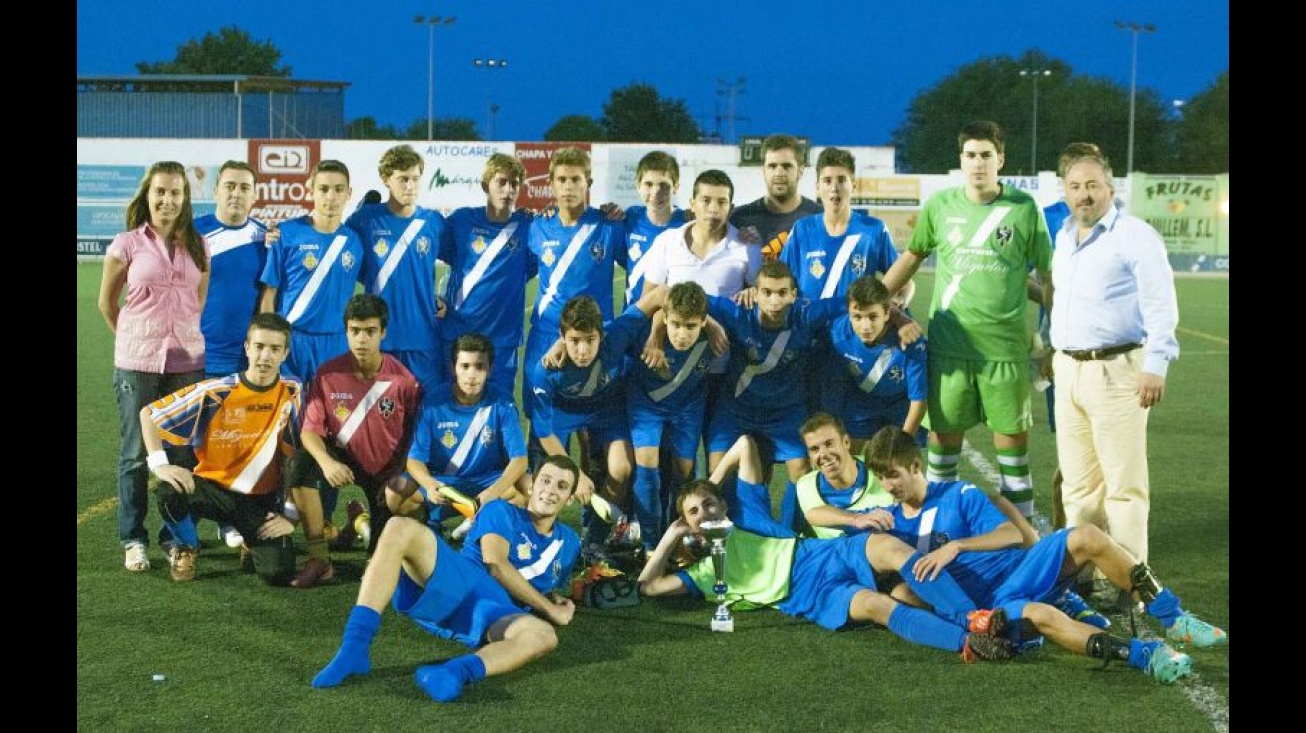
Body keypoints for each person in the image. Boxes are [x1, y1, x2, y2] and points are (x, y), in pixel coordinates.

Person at [861, 427, 1225, 683]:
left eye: (893, 475)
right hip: (994, 605)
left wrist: (957, 546)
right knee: (1041, 613)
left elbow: (1011, 534)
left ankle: (1174, 618)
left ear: (914, 466)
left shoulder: (958, 494)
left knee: (1086, 535)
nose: (888, 486)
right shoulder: (889, 523)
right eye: (880, 478)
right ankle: (1145, 656)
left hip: (1022, 569)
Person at [638, 457, 1014, 662]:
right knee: (876, 606)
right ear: (688, 524)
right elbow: (649, 586)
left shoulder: (746, 518)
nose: (703, 512)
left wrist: (712, 480)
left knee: (887, 546)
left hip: (818, 554)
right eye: (693, 512)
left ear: (722, 505)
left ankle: (972, 618)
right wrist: (671, 535)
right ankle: (966, 643)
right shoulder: (705, 572)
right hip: (807, 596)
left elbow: (743, 445)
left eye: (709, 503)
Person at [880, 121, 1053, 520]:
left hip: (1005, 354)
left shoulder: (1025, 209)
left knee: (1013, 458)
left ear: (1001, 159)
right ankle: (939, 531)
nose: (978, 163)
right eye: (970, 155)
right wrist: (874, 299)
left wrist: (1053, 338)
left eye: (986, 156)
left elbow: (1047, 279)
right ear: (961, 160)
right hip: (950, 351)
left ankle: (1021, 545)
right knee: (942, 455)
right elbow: (911, 258)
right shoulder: (941, 206)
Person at [311, 455, 583, 703]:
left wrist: (555, 600)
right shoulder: (502, 511)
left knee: (544, 636)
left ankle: (454, 673)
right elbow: (497, 565)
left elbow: (544, 582)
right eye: (545, 481)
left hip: (493, 615)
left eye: (561, 486)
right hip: (462, 583)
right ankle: (354, 649)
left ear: (569, 498)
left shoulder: (570, 542)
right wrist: (550, 611)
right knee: (399, 527)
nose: (550, 490)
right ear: (532, 486)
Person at [1047, 150, 1180, 608]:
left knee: (1123, 486)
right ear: (1064, 191)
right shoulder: (1064, 236)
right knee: (1078, 486)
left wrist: (1156, 364)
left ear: (1110, 189)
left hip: (1118, 370)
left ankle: (1132, 584)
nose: (1084, 194)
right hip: (1069, 370)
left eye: (1092, 186)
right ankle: (1080, 573)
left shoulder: (1135, 236)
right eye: (1076, 186)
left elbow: (1162, 304)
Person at [98, 160, 210, 573]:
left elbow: (199, 301)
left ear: (185, 198)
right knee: (134, 455)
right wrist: (132, 338)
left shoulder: (199, 245)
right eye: (160, 192)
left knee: (182, 453)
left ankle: (174, 536)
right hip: (137, 362)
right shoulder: (126, 243)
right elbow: (107, 303)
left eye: (175, 193)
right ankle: (133, 538)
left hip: (186, 362)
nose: (167, 199)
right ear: (147, 195)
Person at [138, 312, 303, 585]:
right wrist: (159, 464)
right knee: (168, 489)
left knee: (278, 573)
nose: (265, 356)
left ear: (285, 354)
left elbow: (299, 457)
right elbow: (149, 414)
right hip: (212, 490)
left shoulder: (293, 392)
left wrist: (291, 517)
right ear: (247, 348)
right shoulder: (217, 391)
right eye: (259, 347)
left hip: (258, 500)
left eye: (275, 349)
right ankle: (187, 546)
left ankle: (250, 542)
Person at [285, 294, 423, 588]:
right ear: (345, 331)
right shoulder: (328, 374)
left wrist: (398, 477)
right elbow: (310, 431)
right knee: (298, 464)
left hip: (385, 471)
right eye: (355, 331)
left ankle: (359, 525)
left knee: (381, 562)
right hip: (343, 457)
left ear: (383, 332)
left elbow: (415, 436)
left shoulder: (403, 380)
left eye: (370, 331)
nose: (362, 339)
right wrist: (326, 461)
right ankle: (319, 558)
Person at [260, 159, 365, 533]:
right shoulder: (286, 235)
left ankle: (327, 519)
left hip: (335, 350)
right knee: (285, 432)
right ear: (310, 191)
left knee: (331, 433)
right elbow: (270, 294)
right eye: (324, 189)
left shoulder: (354, 241)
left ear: (348, 195)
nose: (331, 197)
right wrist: (266, 344)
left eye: (339, 190)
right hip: (293, 346)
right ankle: (274, 508)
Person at [780, 147, 913, 420]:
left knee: (851, 424)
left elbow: (903, 280)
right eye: (827, 181)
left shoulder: (872, 229)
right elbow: (782, 282)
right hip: (808, 341)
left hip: (855, 342)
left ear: (853, 185)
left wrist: (899, 304)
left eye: (841, 180)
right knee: (812, 421)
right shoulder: (803, 230)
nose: (834, 188)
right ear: (817, 187)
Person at [195, 159, 271, 550]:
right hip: (200, 355)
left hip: (246, 361)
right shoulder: (196, 232)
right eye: (230, 186)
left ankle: (230, 520)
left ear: (255, 194)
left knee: (238, 443)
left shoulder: (264, 238)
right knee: (199, 444)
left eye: (244, 187)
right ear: (216, 190)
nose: (236, 193)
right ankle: (188, 529)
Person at [522, 146, 627, 408]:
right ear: (551, 184)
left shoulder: (607, 225)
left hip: (594, 339)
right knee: (542, 414)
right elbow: (516, 274)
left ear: (587, 183)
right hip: (547, 332)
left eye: (575, 179)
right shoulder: (536, 227)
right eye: (562, 180)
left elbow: (641, 264)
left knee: (594, 420)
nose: (568, 186)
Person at [398, 332, 528, 532]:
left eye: (479, 367)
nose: (472, 374)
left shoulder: (503, 401)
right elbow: (414, 460)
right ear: (453, 368)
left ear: (490, 369)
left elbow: (519, 460)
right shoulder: (434, 402)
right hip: (444, 482)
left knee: (529, 489)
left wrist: (493, 492)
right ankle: (429, 525)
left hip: (487, 480)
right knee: (395, 493)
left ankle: (483, 525)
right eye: (465, 366)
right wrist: (430, 484)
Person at [347, 144, 448, 392]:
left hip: (423, 337)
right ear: (386, 179)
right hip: (380, 339)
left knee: (425, 415)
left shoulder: (433, 222)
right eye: (403, 179)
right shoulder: (365, 220)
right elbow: (348, 260)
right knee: (383, 418)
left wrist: (444, 296)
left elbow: (463, 262)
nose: (410, 186)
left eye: (415, 179)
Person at [625, 281, 715, 550]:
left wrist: (717, 327)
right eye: (676, 325)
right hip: (645, 406)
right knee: (647, 466)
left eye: (690, 327)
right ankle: (652, 544)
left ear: (703, 322)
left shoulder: (716, 335)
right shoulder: (642, 333)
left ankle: (681, 536)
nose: (682, 334)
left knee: (684, 471)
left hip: (688, 407)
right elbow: (607, 335)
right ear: (665, 318)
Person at [439, 153, 536, 396]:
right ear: (485, 185)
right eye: (501, 182)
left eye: (514, 184)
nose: (508, 190)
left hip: (502, 340)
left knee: (499, 407)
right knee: (452, 405)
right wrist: (437, 296)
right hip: (457, 333)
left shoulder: (528, 228)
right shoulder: (461, 221)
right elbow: (427, 255)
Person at [823, 276, 928, 452]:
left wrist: (904, 443)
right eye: (857, 317)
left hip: (901, 406)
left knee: (901, 465)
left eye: (873, 317)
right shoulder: (837, 333)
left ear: (888, 313)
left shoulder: (909, 339)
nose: (865, 326)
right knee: (849, 458)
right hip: (861, 403)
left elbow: (918, 400)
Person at [729, 133, 822, 262]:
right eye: (772, 166)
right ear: (763, 170)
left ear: (800, 171)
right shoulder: (740, 219)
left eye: (786, 166)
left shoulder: (819, 218)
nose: (778, 173)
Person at [622, 151, 688, 306]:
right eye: (648, 184)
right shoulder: (629, 219)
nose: (656, 192)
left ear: (676, 187)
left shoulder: (686, 223)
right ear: (638, 185)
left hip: (669, 319)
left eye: (664, 185)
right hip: (633, 318)